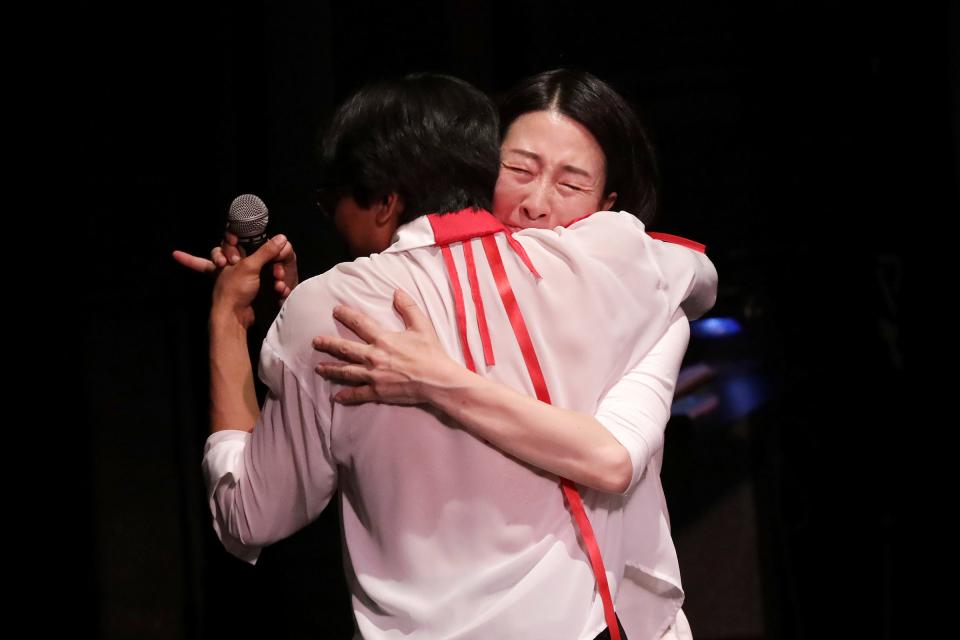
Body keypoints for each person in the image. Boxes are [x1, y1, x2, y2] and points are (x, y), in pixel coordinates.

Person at [190, 71, 716, 639]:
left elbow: (246, 517)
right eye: (518, 169)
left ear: (610, 206)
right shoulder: (621, 275)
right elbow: (693, 270)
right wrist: (304, 311)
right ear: (481, 163)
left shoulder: (619, 272)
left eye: (570, 184)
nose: (536, 203)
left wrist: (230, 322)